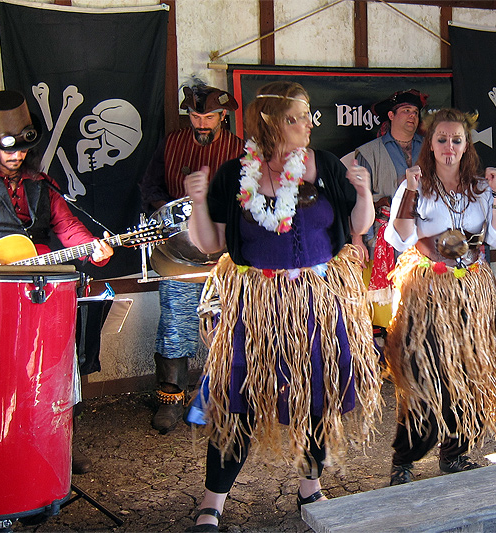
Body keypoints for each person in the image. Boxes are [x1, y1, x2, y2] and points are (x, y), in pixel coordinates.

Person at [183, 81, 380, 531]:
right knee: (237, 398)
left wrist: (364, 192)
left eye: (308, 115)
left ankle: (310, 485)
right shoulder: (236, 174)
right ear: (271, 123)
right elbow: (211, 243)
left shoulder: (324, 165)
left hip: (316, 302)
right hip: (257, 308)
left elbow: (358, 224)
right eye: (297, 117)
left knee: (315, 395)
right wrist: (197, 202)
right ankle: (213, 502)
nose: (308, 124)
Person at [0, 89, 114, 474]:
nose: (16, 157)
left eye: (23, 150)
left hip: (40, 296)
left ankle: (56, 447)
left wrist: (93, 249)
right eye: (7, 150)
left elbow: (68, 227)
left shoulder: (42, 185)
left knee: (52, 373)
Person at [384, 108, 496, 485]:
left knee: (470, 372)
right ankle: (404, 458)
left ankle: (455, 454)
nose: (449, 147)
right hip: (428, 291)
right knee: (425, 372)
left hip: (471, 291)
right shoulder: (416, 186)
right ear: (430, 144)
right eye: (441, 139)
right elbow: (401, 237)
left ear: (466, 145)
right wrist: (410, 188)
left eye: (457, 140)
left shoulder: (480, 188)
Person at [140, 79, 244, 433]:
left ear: (222, 117)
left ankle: (224, 398)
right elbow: (150, 185)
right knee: (175, 321)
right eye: (196, 117)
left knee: (228, 325)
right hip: (179, 252)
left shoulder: (239, 150)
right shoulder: (172, 143)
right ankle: (170, 397)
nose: (201, 124)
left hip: (225, 255)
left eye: (208, 118)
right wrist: (169, 211)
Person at [353, 89, 427, 330]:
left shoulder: (431, 149)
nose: (412, 116)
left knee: (421, 304)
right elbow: (358, 198)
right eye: (406, 110)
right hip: (382, 236)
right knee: (386, 312)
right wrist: (359, 238)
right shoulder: (368, 152)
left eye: (415, 112)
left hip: (423, 234)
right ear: (391, 115)